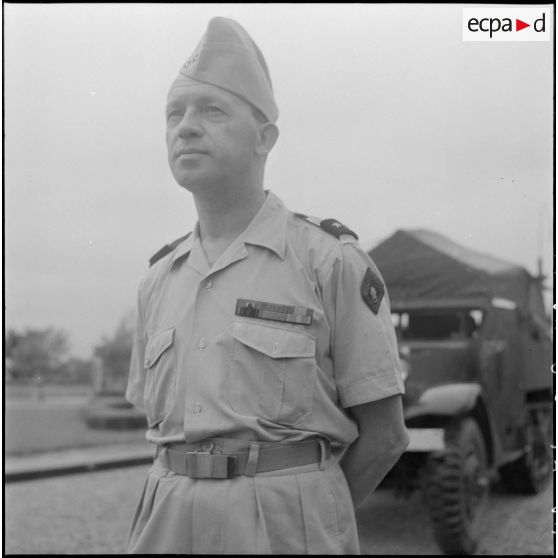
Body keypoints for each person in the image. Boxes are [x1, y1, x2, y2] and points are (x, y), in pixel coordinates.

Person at [125, 16, 409, 555]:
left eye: (211, 110)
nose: (185, 127)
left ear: (264, 138)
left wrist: (312, 517)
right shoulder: (158, 281)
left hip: (286, 529)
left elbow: (386, 436)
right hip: (167, 522)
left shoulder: (329, 262)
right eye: (173, 113)